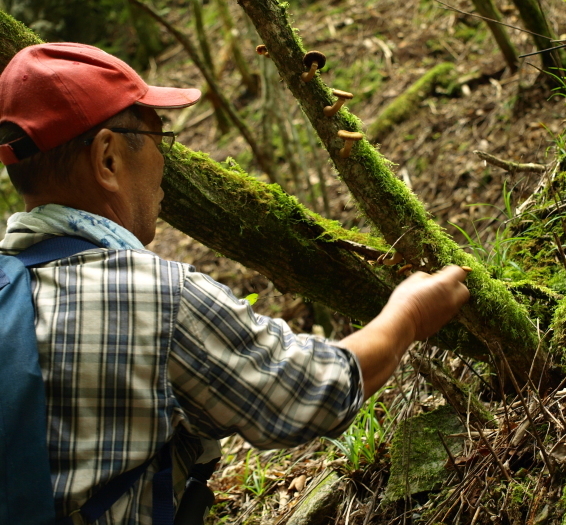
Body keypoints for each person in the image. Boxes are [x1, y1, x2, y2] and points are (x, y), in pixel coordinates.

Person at [0, 43, 470, 524]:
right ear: (108, 159)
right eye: (161, 138)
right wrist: (409, 315)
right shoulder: (153, 297)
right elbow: (309, 392)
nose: (165, 163)